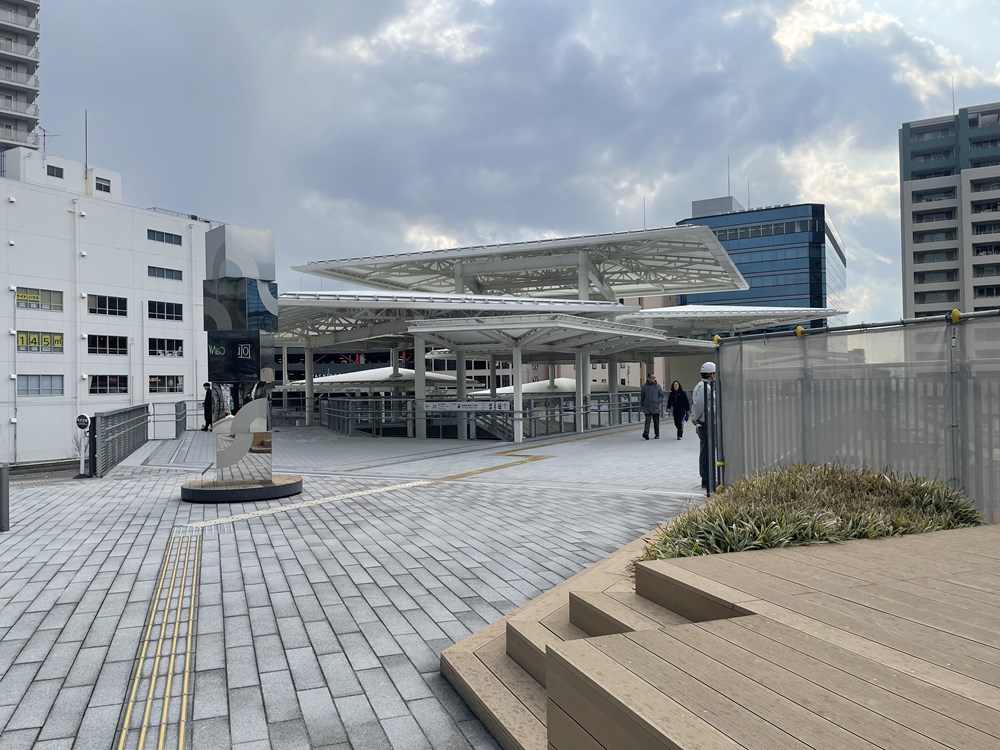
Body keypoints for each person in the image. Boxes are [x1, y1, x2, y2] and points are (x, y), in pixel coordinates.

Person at [690, 362, 716, 489]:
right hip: (705, 423)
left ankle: (707, 477)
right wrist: (697, 418)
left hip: (704, 423)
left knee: (706, 450)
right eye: (714, 374)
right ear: (710, 374)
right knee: (706, 451)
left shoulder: (701, 385)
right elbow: (699, 405)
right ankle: (706, 478)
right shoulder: (705, 387)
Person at [640, 372, 664, 440]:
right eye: (652, 377)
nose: (653, 379)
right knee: (647, 420)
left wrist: (658, 401)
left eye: (654, 377)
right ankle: (646, 433)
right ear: (648, 378)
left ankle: (657, 434)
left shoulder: (657, 386)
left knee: (656, 421)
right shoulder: (644, 387)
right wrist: (641, 405)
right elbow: (642, 397)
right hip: (647, 406)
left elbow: (662, 395)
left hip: (655, 406)